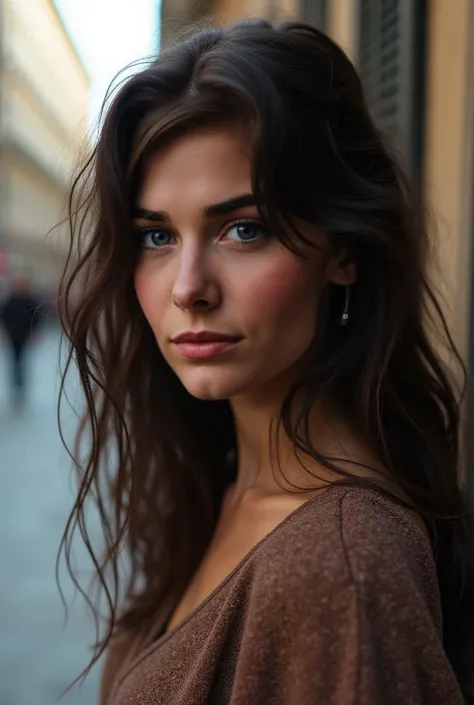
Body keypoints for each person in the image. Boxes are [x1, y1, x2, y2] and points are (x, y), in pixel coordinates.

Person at [57, 19, 474, 705]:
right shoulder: (222, 486)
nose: (189, 286)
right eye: (157, 235)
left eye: (242, 228)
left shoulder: (340, 568)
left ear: (343, 252)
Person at [0, 273, 42, 407]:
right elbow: (4, 316)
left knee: (21, 361)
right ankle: (16, 385)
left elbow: (37, 316)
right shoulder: (10, 300)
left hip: (24, 335)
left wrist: (33, 330)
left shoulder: (30, 300)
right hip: (13, 335)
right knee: (15, 361)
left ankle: (21, 385)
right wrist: (5, 332)